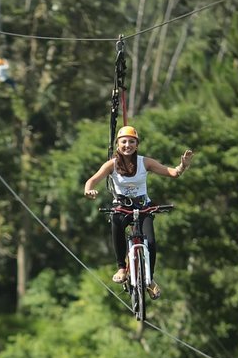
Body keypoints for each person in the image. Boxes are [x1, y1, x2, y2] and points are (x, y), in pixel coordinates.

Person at [83, 126, 194, 299]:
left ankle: (149, 280)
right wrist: (89, 191)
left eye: (132, 142)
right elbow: (92, 180)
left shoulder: (145, 162)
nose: (128, 145)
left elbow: (172, 173)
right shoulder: (111, 165)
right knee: (117, 224)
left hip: (143, 207)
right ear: (118, 144)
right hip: (121, 206)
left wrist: (182, 166)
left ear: (137, 144)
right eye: (124, 141)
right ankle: (122, 267)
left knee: (150, 241)